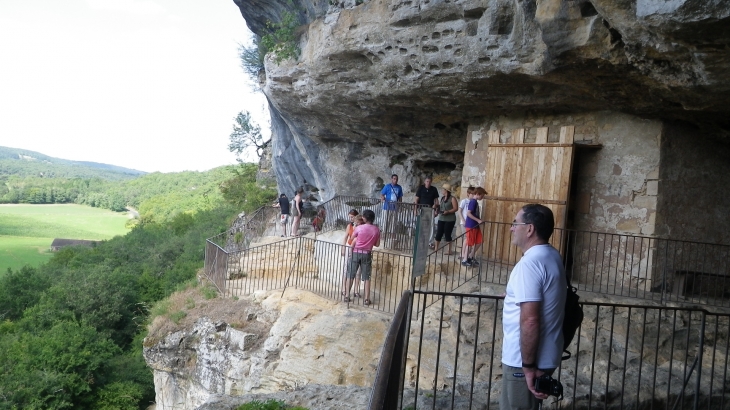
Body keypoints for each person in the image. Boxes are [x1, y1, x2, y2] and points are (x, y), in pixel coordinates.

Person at [501, 204, 567, 410]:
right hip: (546, 354)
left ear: (529, 229)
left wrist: (528, 368)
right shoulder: (552, 256)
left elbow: (530, 320)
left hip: (525, 362)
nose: (512, 228)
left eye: (515, 223)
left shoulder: (529, 265)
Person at [344, 209, 380, 306]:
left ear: (364, 218)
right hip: (367, 253)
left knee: (350, 274)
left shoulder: (359, 228)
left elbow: (351, 239)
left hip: (356, 252)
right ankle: (367, 299)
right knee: (366, 277)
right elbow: (377, 244)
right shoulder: (376, 229)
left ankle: (347, 296)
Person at [461, 187, 486, 267]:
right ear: (478, 194)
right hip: (471, 225)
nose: (483, 197)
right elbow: (469, 213)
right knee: (470, 242)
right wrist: (478, 220)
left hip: (475, 225)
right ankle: (465, 260)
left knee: (480, 241)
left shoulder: (475, 202)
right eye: (482, 195)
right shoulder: (473, 202)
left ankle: (470, 256)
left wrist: (478, 221)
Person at [433, 183, 459, 255]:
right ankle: (436, 248)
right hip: (441, 218)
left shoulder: (452, 198)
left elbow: (455, 208)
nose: (442, 190)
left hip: (450, 219)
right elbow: (440, 207)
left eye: (443, 189)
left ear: (446, 190)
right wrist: (436, 210)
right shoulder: (442, 198)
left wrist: (448, 212)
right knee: (439, 233)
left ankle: (449, 250)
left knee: (447, 234)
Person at [414, 176, 439, 246]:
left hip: (430, 209)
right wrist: (415, 209)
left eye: (429, 182)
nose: (428, 183)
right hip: (422, 209)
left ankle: (430, 242)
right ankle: (420, 240)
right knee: (421, 224)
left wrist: (436, 210)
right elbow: (416, 199)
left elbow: (436, 201)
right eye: (427, 181)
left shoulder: (434, 189)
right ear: (424, 182)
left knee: (431, 225)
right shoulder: (421, 188)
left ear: (431, 182)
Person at [341, 209, 360, 296]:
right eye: (350, 217)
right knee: (346, 268)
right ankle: (343, 288)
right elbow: (345, 237)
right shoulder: (349, 226)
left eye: (352, 217)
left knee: (358, 270)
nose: (351, 219)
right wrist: (343, 248)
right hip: (350, 247)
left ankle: (356, 290)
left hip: (357, 248)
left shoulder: (360, 226)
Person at [380, 174, 403, 245]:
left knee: (393, 221)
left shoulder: (399, 187)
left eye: (396, 179)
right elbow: (382, 194)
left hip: (395, 207)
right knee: (385, 221)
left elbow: (400, 197)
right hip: (387, 206)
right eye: (394, 179)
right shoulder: (387, 186)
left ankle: (392, 234)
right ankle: (384, 234)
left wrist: (400, 205)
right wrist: (382, 199)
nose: (395, 180)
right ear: (391, 179)